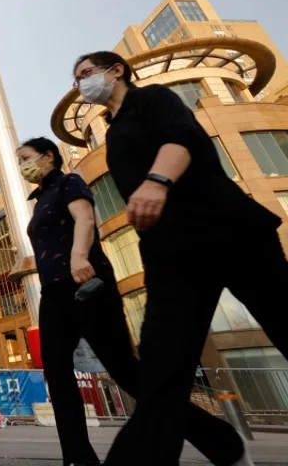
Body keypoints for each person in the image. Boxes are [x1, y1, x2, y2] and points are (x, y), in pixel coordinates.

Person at [72, 51, 288, 465]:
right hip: (171, 253)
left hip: (229, 232)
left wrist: (157, 180)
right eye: (76, 79)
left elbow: (182, 137)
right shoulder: (114, 130)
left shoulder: (152, 98)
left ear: (116, 70)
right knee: (161, 370)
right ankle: (200, 452)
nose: (80, 84)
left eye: (86, 73)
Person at [18, 136, 252, 466]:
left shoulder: (68, 182)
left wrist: (79, 256)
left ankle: (222, 441)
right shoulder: (39, 198)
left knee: (125, 372)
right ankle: (78, 458)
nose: (22, 166)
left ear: (48, 156)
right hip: (53, 293)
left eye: (26, 157)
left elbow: (85, 220)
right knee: (56, 375)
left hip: (86, 283)